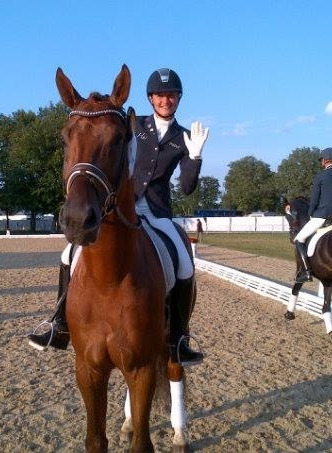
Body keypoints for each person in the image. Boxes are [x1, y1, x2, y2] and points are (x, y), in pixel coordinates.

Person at [28, 68, 209, 366]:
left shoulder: (184, 137)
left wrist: (195, 156)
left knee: (185, 264)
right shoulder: (132, 124)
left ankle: (179, 338)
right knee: (68, 253)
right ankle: (59, 324)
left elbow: (187, 187)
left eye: (171, 95)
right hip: (123, 206)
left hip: (158, 212)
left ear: (178, 98)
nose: (165, 100)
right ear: (150, 98)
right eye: (160, 95)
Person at [293, 147, 332, 283]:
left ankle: (306, 272)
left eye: (321, 160)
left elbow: (314, 199)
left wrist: (311, 213)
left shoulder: (320, 176)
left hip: (322, 216)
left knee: (299, 239)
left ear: (324, 161)